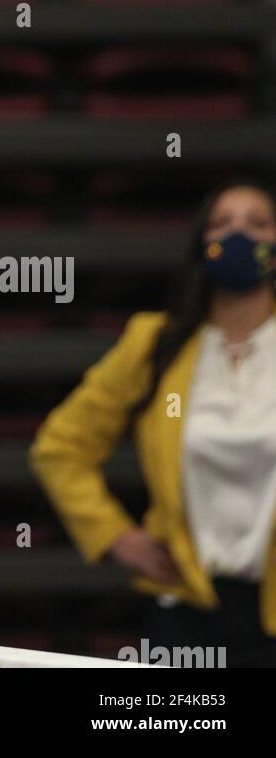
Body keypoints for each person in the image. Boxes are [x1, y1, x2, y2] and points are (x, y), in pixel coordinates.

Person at [29, 178, 276, 666]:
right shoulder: (154, 344)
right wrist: (113, 535)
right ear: (201, 243)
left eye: (258, 224)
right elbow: (60, 448)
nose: (240, 235)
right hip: (185, 606)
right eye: (223, 223)